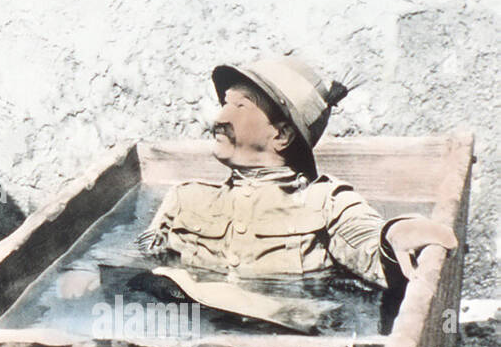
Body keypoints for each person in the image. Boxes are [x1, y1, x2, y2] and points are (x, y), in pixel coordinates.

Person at [138, 56, 457, 289]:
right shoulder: (184, 199)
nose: (218, 117)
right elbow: (138, 274)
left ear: (281, 135)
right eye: (224, 102)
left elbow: (371, 244)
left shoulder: (326, 203)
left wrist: (395, 234)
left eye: (240, 106)